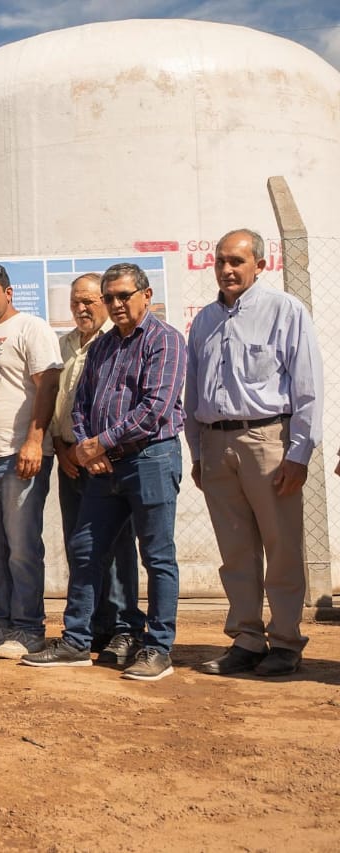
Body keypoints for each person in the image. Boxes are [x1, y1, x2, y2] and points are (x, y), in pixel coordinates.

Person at [22, 263, 187, 682]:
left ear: (146, 296)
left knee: (157, 555)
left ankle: (157, 647)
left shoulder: (165, 340)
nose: (115, 304)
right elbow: (79, 404)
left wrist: (101, 442)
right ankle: (77, 641)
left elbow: (155, 408)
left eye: (122, 296)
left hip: (150, 458)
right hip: (102, 466)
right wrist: (85, 445)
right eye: (109, 297)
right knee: (85, 548)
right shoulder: (101, 347)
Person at [187, 229, 323, 678]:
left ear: (259, 265)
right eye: (221, 261)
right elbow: (193, 394)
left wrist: (299, 453)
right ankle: (246, 638)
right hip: (215, 442)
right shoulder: (205, 320)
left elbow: (307, 388)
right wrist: (198, 452)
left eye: (237, 262)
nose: (227, 270)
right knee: (236, 550)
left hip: (268, 443)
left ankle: (285, 641)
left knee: (281, 546)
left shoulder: (285, 311)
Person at [0, 262, 62, 660]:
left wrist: (34, 442)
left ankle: (28, 628)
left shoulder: (30, 328)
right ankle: (1, 621)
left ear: (7, 292)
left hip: (18, 455)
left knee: (21, 548)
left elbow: (48, 383)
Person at [49, 274, 145, 664]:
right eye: (76, 302)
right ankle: (92, 627)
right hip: (70, 460)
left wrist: (96, 447)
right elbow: (59, 406)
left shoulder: (117, 342)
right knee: (82, 548)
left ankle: (124, 628)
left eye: (90, 301)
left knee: (120, 549)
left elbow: (122, 402)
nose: (82, 308)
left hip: (106, 459)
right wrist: (61, 448)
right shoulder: (63, 346)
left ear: (105, 302)